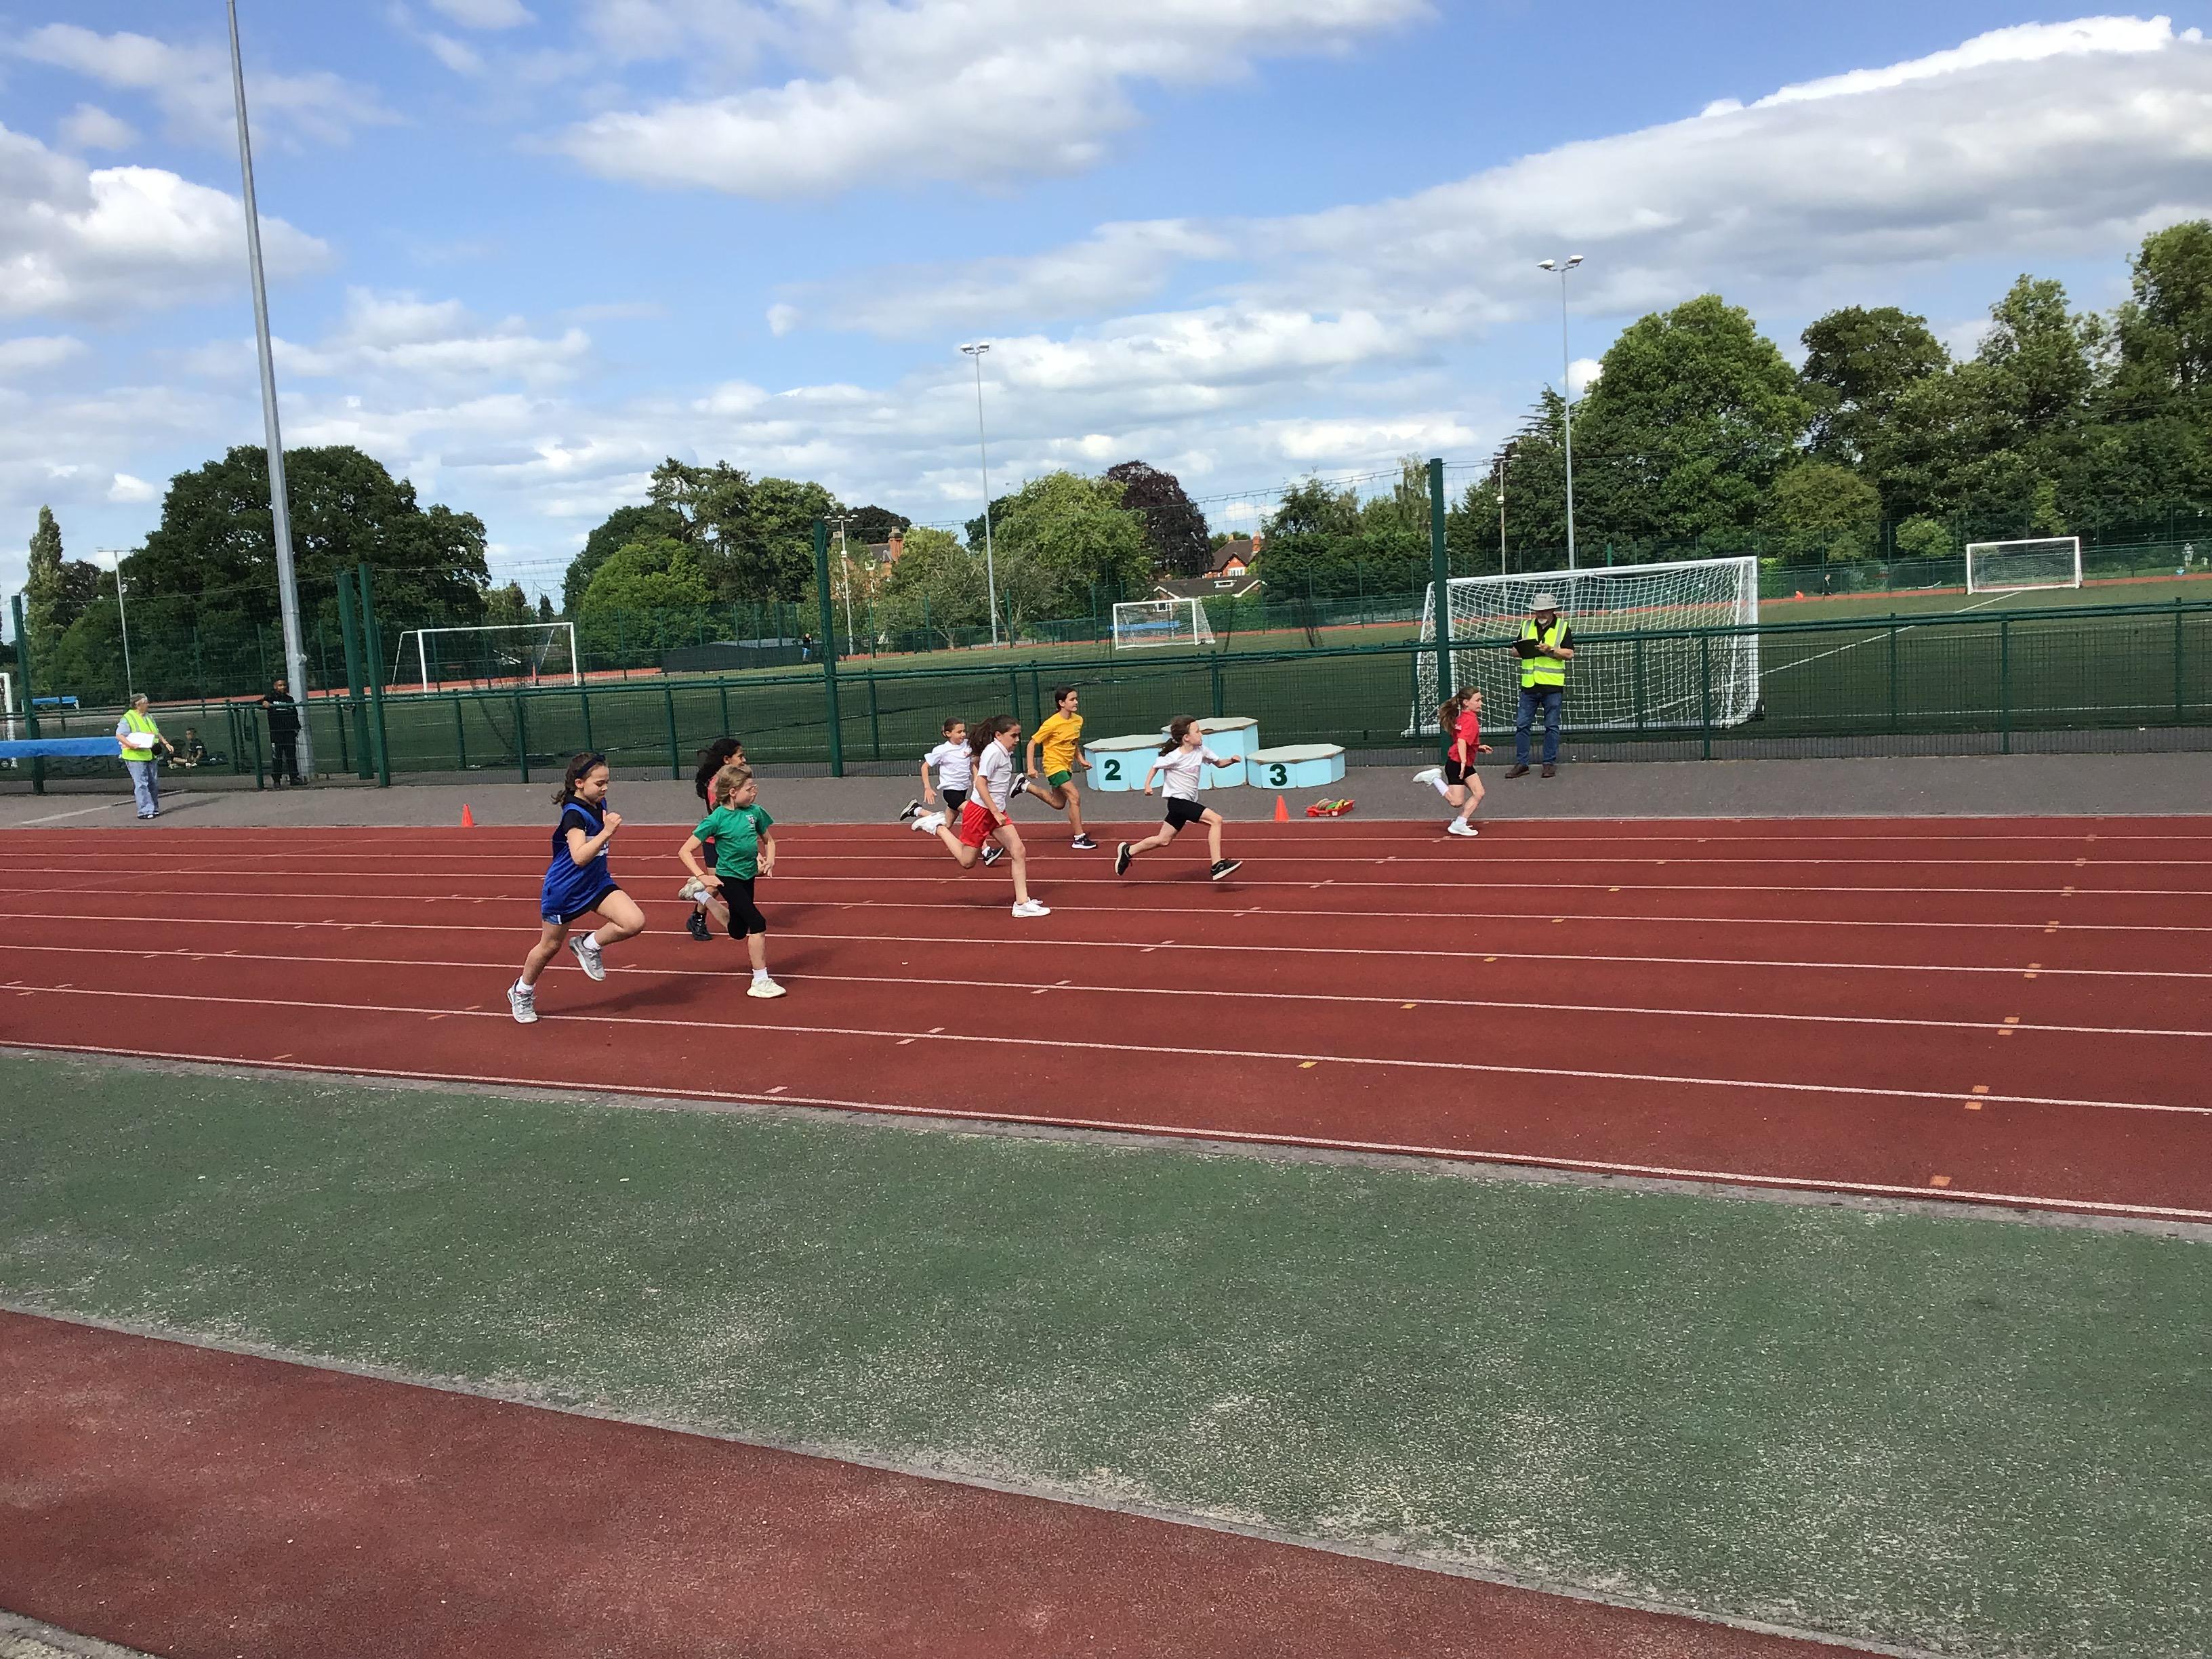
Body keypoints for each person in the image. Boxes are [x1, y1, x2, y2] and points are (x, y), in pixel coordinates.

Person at [508, 752, 647, 1024]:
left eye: (607, 782)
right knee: (549, 946)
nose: (605, 788)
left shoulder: (598, 803)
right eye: (599, 783)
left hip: (596, 883)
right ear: (579, 783)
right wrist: (607, 833)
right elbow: (579, 856)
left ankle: (588, 944)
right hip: (566, 890)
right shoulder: (574, 815)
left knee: (634, 922)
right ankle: (522, 990)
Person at [908, 714, 1050, 918]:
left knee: (1018, 851)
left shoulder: (999, 751)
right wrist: (995, 812)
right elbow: (981, 784)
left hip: (995, 811)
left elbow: (977, 763)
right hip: (981, 812)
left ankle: (1021, 903)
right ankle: (938, 826)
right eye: (1014, 736)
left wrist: (977, 763)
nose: (1018, 740)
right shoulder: (994, 752)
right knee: (967, 862)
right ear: (999, 735)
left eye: (1019, 735)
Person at [678, 762, 785, 999]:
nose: (754, 792)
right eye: (749, 788)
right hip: (728, 877)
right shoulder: (716, 819)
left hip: (748, 875)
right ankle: (760, 980)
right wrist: (702, 875)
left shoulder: (755, 812)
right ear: (733, 792)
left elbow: (769, 840)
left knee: (737, 931)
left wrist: (769, 860)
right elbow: (685, 851)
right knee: (757, 922)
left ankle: (702, 895)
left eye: (755, 787)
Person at [1114, 716, 1242, 881]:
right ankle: (1217, 865)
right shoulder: (1175, 756)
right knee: (1216, 820)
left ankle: (1128, 851)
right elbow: (1155, 767)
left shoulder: (1202, 751)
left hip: (1185, 803)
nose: (1201, 734)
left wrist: (1231, 760)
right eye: (1197, 731)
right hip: (1178, 802)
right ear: (1186, 737)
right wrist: (1147, 785)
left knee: (1163, 840)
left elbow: (1219, 763)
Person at [679, 737, 745, 941]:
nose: (744, 760)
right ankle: (698, 913)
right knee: (719, 883)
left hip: (729, 841)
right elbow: (721, 814)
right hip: (716, 842)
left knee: (725, 883)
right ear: (727, 759)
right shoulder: (717, 784)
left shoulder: (731, 780)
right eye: (740, 756)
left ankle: (700, 913)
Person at [1505, 592, 1574, 779]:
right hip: (1529, 685)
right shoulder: (1526, 626)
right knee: (1522, 725)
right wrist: (1525, 649)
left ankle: (1549, 763)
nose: (1540, 613)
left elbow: (1569, 654)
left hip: (1552, 685)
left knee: (1551, 726)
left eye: (1544, 610)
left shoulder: (1563, 627)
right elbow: (1514, 651)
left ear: (1552, 610)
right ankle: (1522, 763)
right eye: (1538, 611)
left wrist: (1550, 650)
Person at [1022, 685, 1097, 849]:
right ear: (1062, 703)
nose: (1076, 702)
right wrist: (1031, 767)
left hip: (1066, 766)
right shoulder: (1052, 724)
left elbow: (1073, 742)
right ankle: (1079, 838)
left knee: (1058, 803)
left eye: (1076, 699)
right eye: (1072, 699)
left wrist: (1081, 759)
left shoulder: (1078, 720)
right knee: (1074, 796)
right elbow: (1032, 743)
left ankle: (1026, 786)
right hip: (1054, 765)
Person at [1413, 688, 1489, 837]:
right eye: (1478, 700)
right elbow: (1461, 742)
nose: (1481, 703)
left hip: (1462, 763)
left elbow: (1462, 740)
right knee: (1456, 802)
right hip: (1457, 764)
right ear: (1466, 703)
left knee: (1479, 793)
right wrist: (1463, 762)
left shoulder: (1463, 718)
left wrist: (1477, 747)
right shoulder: (1470, 720)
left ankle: (1460, 823)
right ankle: (1434, 779)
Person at [900, 717, 971, 825]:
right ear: (948, 734)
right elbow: (925, 767)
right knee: (973, 813)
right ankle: (982, 839)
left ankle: (916, 810)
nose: (963, 734)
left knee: (945, 825)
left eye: (964, 731)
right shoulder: (942, 750)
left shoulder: (967, 745)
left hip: (963, 789)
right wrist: (927, 788)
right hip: (951, 791)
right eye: (959, 732)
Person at [115, 693, 173, 820]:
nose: (148, 704)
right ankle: (145, 811)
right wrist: (131, 744)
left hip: (150, 754)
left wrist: (166, 743)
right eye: (145, 702)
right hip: (135, 756)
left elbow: (156, 732)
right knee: (141, 784)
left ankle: (154, 808)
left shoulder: (149, 717)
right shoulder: (128, 718)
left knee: (153, 783)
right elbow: (119, 735)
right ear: (138, 705)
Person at [263, 677, 302, 787]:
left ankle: (294, 778)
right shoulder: (270, 698)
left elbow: (294, 714)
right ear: (275, 687)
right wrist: (264, 702)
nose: (283, 687)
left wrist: (296, 727)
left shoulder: (289, 699)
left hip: (289, 733)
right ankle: (277, 780)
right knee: (277, 756)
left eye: (284, 685)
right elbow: (259, 702)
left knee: (291, 756)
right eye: (280, 685)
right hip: (276, 733)